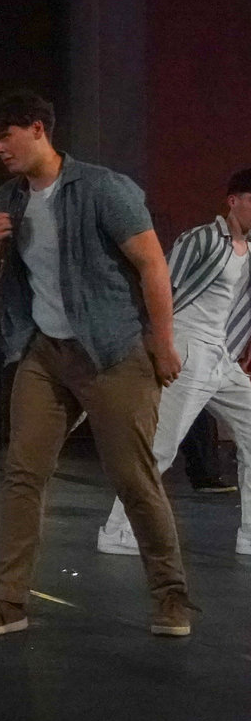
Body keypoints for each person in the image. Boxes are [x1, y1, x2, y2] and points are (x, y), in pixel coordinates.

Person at [0, 90, 190, 639]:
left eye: (6, 136)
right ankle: (8, 602)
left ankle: (172, 596)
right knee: (23, 474)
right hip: (44, 350)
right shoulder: (9, 198)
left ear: (38, 129)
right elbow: (2, 282)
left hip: (111, 350)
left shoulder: (102, 188)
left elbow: (152, 265)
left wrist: (163, 343)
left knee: (133, 478)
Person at [94, 169, 251, 556]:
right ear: (233, 201)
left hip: (221, 354)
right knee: (161, 445)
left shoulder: (249, 249)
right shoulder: (202, 238)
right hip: (187, 346)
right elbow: (161, 284)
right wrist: (158, 344)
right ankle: (116, 530)